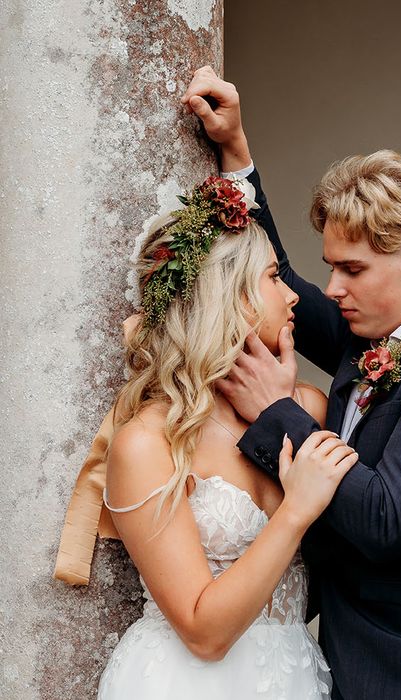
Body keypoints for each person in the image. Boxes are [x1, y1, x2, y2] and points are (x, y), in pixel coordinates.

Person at [182, 67, 401, 700]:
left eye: (352, 269)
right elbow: (273, 277)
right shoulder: (369, 334)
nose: (332, 289)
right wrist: (236, 153)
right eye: (331, 267)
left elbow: (384, 518)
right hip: (344, 663)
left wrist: (277, 409)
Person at [96, 175, 357, 699]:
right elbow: (204, 633)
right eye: (272, 278)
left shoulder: (307, 408)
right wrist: (294, 511)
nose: (292, 297)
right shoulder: (148, 443)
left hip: (294, 674)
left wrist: (277, 412)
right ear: (230, 298)